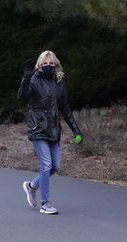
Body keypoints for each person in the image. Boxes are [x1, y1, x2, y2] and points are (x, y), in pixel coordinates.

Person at [18, 50, 82, 215]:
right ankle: (45, 203)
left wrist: (75, 129)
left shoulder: (59, 82)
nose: (48, 66)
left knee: (55, 166)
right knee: (46, 164)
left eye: (51, 63)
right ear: (39, 65)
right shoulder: (34, 79)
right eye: (44, 63)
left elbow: (65, 108)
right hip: (38, 127)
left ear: (55, 65)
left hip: (54, 129)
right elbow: (23, 97)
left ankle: (31, 186)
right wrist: (25, 79)